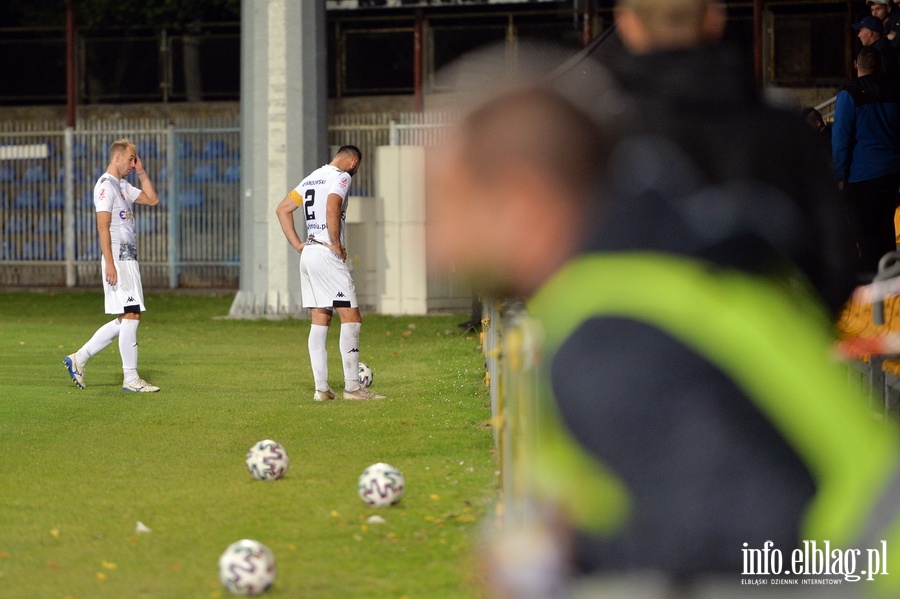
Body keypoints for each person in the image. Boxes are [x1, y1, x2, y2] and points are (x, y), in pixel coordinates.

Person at [428, 73, 900, 592]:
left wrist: (565, 561)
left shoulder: (611, 329)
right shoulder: (662, 273)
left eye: (447, 208)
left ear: (521, 199)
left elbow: (752, 542)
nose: (439, 247)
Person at [600, 0, 856, 316]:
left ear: (627, 23)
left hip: (628, 353)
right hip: (764, 350)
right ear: (715, 19)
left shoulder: (597, 138)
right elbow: (835, 266)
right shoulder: (786, 133)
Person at [275, 145, 383, 401]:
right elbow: (333, 206)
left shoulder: (312, 177)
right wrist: (336, 244)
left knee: (320, 319)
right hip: (326, 253)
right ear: (353, 162)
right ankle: (353, 388)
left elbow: (282, 209)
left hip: (310, 253)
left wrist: (298, 245)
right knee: (352, 317)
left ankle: (322, 389)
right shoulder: (341, 177)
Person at [63, 138, 160, 392]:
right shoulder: (105, 186)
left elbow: (152, 199)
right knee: (132, 315)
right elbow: (102, 226)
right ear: (117, 158)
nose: (132, 163)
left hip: (128, 259)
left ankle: (79, 358)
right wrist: (109, 262)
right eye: (130, 159)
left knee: (127, 317)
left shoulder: (124, 186)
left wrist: (141, 171)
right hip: (117, 258)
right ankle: (131, 379)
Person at [833, 45, 900, 273]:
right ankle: (891, 285)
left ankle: (876, 291)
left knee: (867, 235)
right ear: (879, 65)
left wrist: (839, 174)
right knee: (886, 231)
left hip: (861, 176)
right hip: (890, 173)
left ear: (856, 65)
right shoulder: (894, 91)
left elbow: (841, 137)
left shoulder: (849, 94)